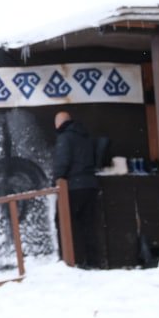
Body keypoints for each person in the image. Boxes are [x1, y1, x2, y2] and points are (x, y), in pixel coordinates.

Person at [52, 110, 102, 268]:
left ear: (59, 123)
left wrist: (56, 178)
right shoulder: (85, 136)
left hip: (74, 186)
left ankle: (71, 260)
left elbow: (63, 161)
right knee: (89, 225)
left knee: (66, 222)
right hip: (90, 185)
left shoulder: (64, 137)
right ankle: (93, 261)